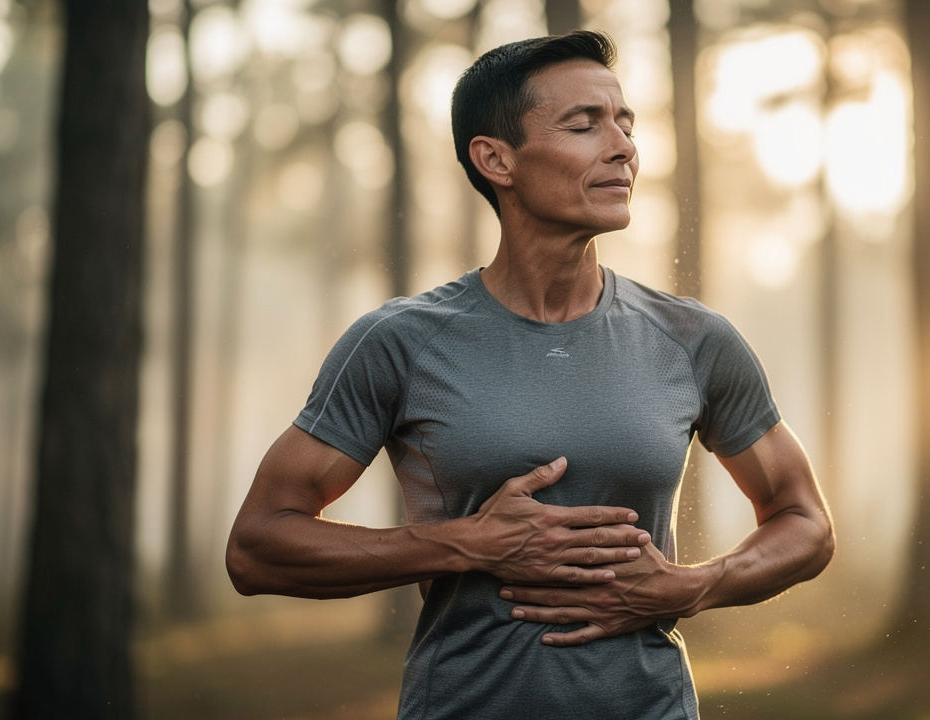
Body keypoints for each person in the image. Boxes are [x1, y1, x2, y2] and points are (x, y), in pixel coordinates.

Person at [226, 30, 834, 720]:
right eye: (585, 124)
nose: (623, 146)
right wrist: (464, 544)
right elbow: (258, 547)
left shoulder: (692, 339)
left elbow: (805, 521)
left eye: (625, 123)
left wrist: (695, 586)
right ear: (496, 159)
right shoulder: (401, 342)